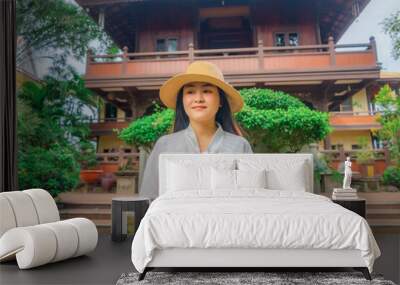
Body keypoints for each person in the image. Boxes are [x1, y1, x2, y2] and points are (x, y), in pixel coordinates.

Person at [139, 61, 253, 200]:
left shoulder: (240, 146)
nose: (198, 99)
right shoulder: (165, 145)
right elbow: (148, 199)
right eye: (190, 92)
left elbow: (249, 198)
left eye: (207, 91)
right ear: (182, 100)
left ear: (220, 101)